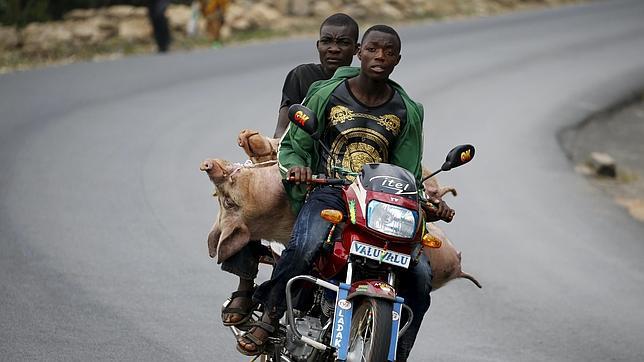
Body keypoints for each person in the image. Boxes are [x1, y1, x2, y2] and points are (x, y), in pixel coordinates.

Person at [237, 25, 455, 361]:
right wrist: (300, 169)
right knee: (305, 245)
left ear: (398, 58)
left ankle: (397, 353)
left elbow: (407, 169)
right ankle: (270, 317)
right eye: (373, 49)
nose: (380, 57)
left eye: (388, 51)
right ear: (360, 52)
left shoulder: (407, 110)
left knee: (421, 276)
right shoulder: (327, 94)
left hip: (379, 202)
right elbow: (295, 146)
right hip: (331, 191)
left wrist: (425, 200)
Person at [219, 13, 360, 327]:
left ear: (357, 49)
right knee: (246, 196)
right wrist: (279, 156)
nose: (334, 48)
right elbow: (284, 129)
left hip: (347, 177)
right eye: (328, 41)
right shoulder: (302, 76)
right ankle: (245, 283)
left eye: (343, 42)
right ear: (318, 44)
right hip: (301, 167)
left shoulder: (366, 85)